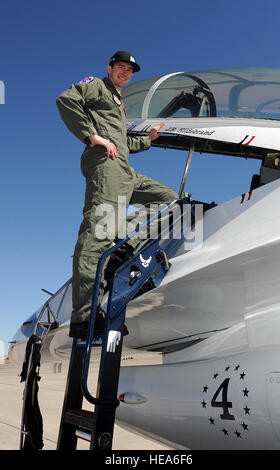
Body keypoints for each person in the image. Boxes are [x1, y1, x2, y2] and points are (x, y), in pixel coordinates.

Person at [56, 51, 178, 339]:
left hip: (125, 170)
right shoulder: (96, 86)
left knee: (170, 200)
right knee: (98, 232)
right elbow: (66, 100)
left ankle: (122, 244)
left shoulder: (118, 104)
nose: (125, 72)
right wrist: (91, 136)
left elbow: (123, 142)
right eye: (120, 67)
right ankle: (85, 317)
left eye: (129, 70)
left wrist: (147, 140)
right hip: (105, 167)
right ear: (109, 68)